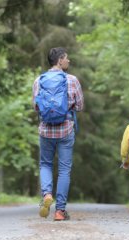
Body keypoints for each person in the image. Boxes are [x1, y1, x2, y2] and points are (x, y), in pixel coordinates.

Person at [32, 47, 84, 221]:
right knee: (64, 170)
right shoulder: (72, 80)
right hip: (65, 129)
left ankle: (47, 194)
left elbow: (36, 107)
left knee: (45, 164)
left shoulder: (39, 80)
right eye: (66, 58)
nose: (68, 61)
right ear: (60, 60)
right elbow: (80, 106)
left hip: (46, 130)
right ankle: (60, 211)